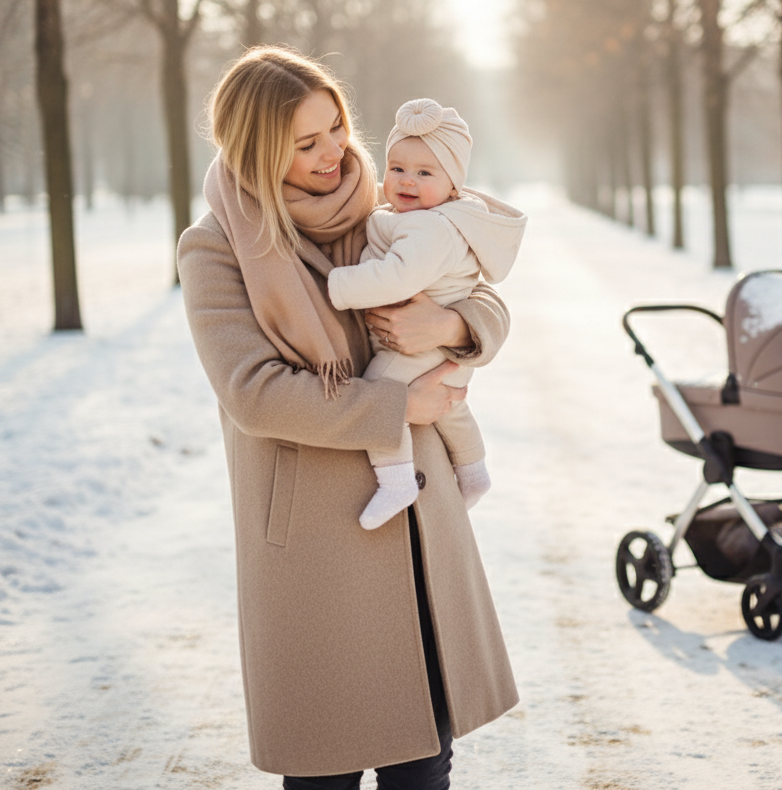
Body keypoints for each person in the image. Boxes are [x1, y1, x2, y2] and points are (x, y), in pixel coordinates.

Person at [177, 46, 518, 789]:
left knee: (422, 762)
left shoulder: (387, 212)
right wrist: (398, 403)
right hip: (314, 541)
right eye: (306, 143)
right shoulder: (215, 249)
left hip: (415, 517)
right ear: (259, 149)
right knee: (324, 768)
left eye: (336, 127)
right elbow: (254, 392)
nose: (335, 152)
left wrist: (454, 328)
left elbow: (480, 289)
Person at [327, 97, 527, 531]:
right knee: (452, 409)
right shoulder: (428, 218)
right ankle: (474, 473)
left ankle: (395, 478)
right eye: (397, 168)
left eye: (424, 173)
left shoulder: (429, 227)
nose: (407, 181)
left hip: (420, 351)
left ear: (453, 184)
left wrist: (338, 285)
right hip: (444, 358)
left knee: (382, 392)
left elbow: (397, 277)